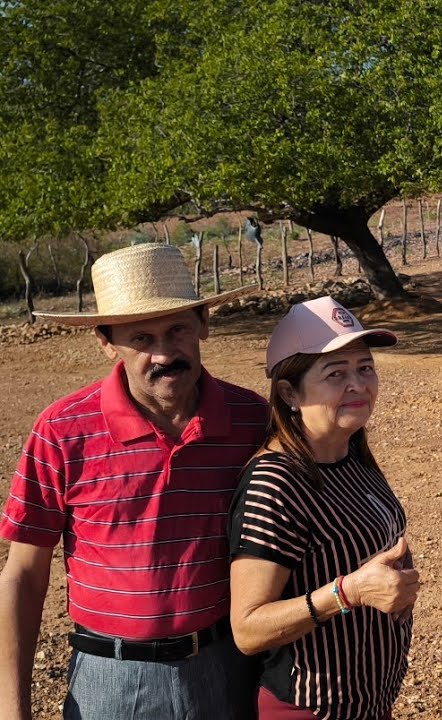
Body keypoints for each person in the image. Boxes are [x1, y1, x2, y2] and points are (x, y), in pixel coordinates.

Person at [0, 243, 267, 720]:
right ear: (106, 340)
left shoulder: (252, 420)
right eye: (141, 338)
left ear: (204, 322)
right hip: (110, 679)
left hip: (225, 666)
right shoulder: (62, 430)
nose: (164, 353)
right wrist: (10, 709)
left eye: (177, 329)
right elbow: (23, 573)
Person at [227, 295, 419, 720]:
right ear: (288, 392)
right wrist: (348, 592)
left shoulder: (350, 454)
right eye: (336, 373)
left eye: (365, 368)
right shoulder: (276, 482)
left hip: (369, 704)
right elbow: (247, 628)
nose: (359, 384)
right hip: (309, 709)